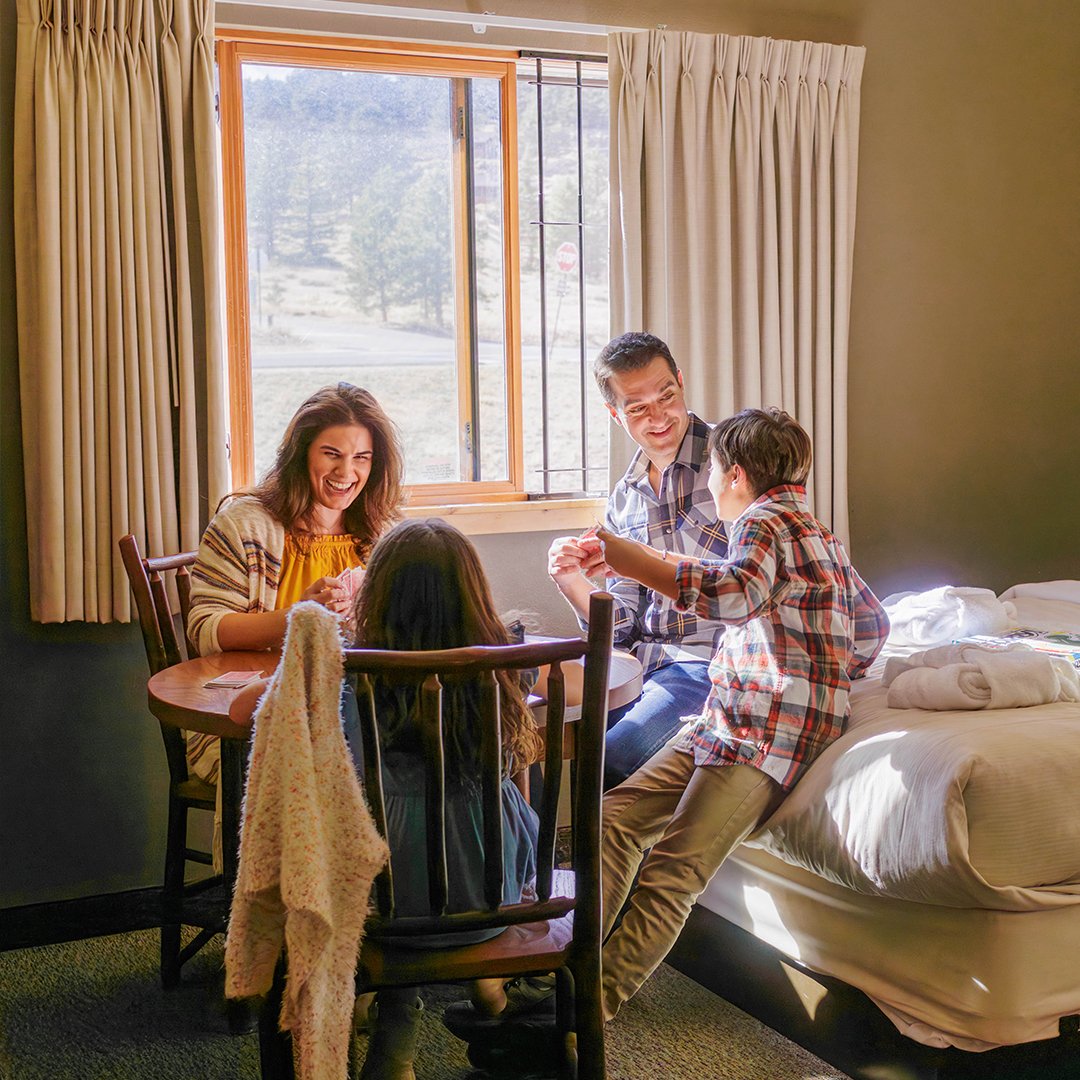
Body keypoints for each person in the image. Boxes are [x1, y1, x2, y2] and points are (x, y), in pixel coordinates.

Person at [591, 407, 890, 1023]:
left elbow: (733, 595)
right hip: (730, 721)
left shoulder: (761, 520)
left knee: (674, 869)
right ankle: (571, 977)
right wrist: (829, 675)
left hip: (762, 730)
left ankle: (586, 1006)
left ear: (732, 475)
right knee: (614, 818)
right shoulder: (817, 532)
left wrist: (629, 559)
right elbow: (872, 625)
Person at [230, 518, 543, 1080]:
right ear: (474, 592)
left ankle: (395, 1035)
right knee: (499, 812)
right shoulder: (507, 662)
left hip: (382, 898)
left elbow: (245, 710)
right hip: (492, 891)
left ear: (376, 592)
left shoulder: (349, 670)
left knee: (383, 853)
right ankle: (492, 989)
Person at [186, 382, 405, 858]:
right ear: (300, 453)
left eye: (362, 459)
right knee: (325, 761)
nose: (347, 473)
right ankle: (286, 911)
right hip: (250, 717)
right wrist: (298, 617)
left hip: (363, 710)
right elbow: (207, 630)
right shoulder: (245, 524)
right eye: (332, 454)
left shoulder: (383, 530)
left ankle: (398, 906)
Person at [546, 332, 728, 788]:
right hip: (641, 662)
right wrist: (571, 580)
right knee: (541, 738)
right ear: (615, 414)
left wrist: (640, 557)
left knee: (612, 759)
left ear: (681, 383)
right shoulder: (625, 496)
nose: (659, 415)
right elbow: (622, 624)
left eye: (666, 395)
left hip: (711, 661)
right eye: (637, 407)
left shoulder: (732, 463)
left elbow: (764, 575)